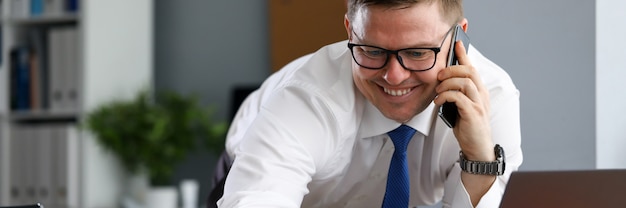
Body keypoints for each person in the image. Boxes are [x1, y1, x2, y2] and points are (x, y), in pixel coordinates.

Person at [216, 0, 522, 207]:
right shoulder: (306, 98)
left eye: (417, 53)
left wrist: (479, 157)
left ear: (459, 37)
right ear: (350, 30)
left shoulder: (493, 97)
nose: (394, 76)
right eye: (372, 50)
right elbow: (257, 198)